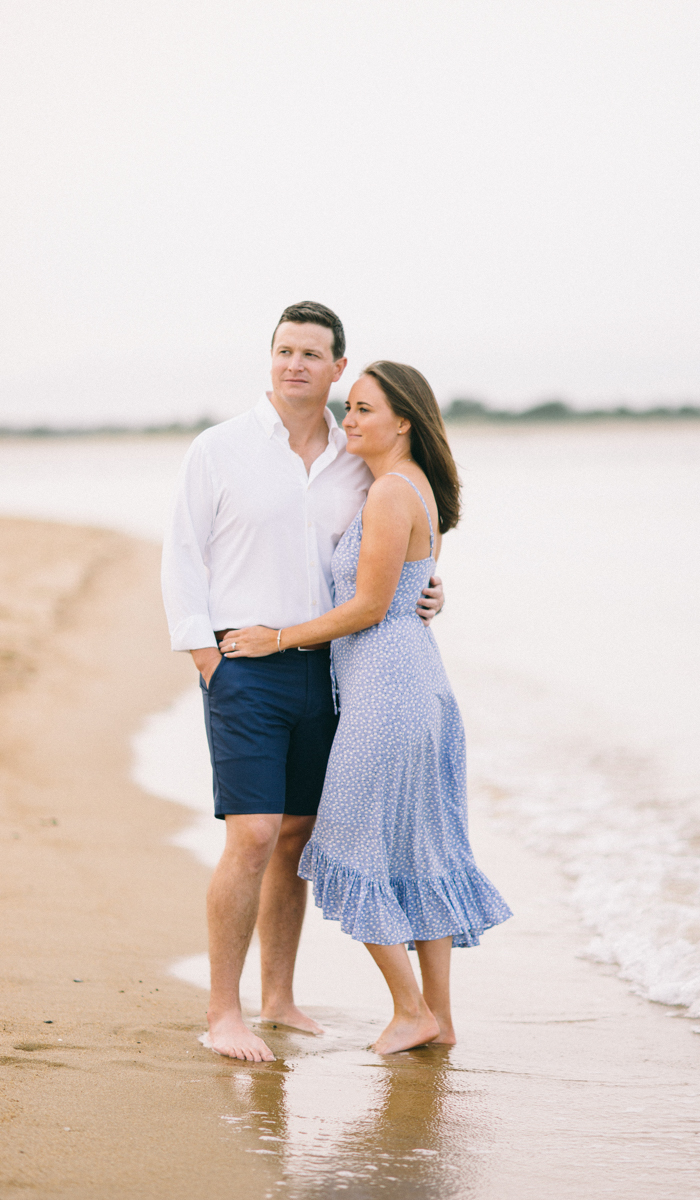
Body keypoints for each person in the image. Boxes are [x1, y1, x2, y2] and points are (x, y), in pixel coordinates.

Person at [161, 305, 443, 1063]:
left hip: (331, 670)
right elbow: (182, 555)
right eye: (285, 351)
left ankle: (279, 998)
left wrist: (430, 589)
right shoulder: (218, 449)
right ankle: (226, 1012)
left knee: (296, 838)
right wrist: (206, 657)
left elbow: (391, 547)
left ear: (337, 367)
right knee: (251, 835)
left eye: (312, 354)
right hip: (244, 664)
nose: (296, 365)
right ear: (271, 359)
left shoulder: (358, 457)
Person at [220, 361, 511, 1054]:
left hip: (386, 693)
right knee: (420, 851)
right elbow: (404, 589)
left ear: (403, 421)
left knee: (347, 843)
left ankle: (411, 1011)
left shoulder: (388, 495)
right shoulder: (412, 489)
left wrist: (274, 638)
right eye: (349, 409)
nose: (347, 420)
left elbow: (369, 608)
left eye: (364, 410)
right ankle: (437, 1020)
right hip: (416, 687)